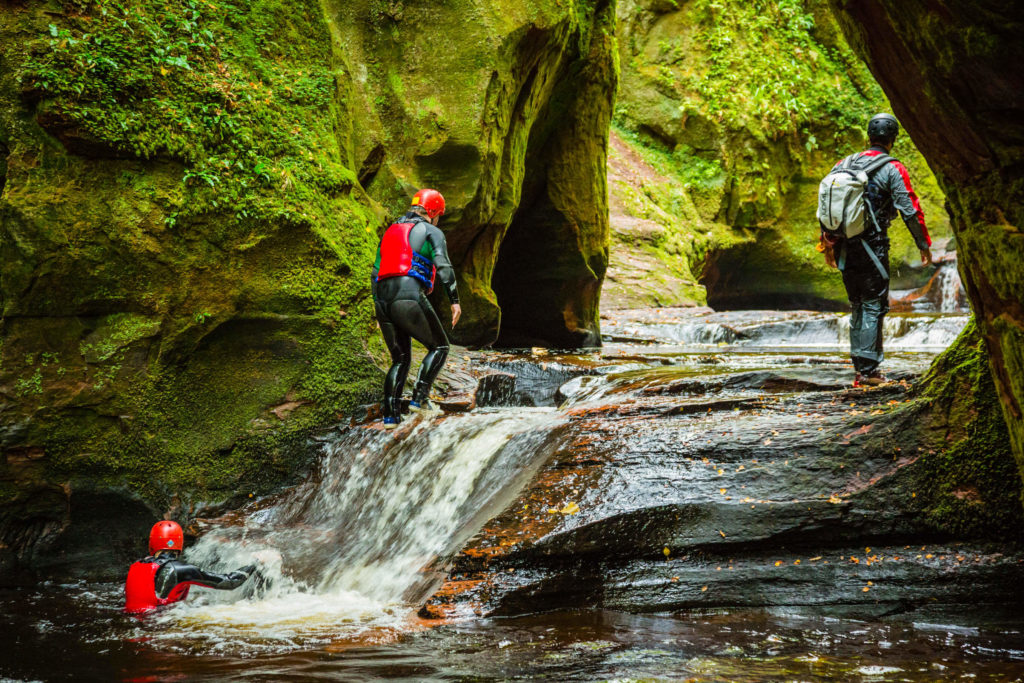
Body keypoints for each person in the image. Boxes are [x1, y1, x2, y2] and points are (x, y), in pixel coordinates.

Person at [820, 113, 933, 386]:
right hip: (873, 245)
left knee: (858, 302)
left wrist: (826, 243)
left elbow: (826, 205)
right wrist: (922, 243)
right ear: (893, 139)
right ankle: (869, 372)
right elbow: (910, 209)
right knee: (873, 303)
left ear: (868, 136)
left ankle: (860, 367)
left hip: (843, 244)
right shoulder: (893, 168)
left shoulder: (842, 164)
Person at [371, 189, 461, 428]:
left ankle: (390, 417)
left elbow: (375, 271)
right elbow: (443, 265)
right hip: (407, 295)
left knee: (399, 359)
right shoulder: (431, 231)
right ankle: (419, 400)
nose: (438, 219)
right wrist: (454, 300)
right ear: (432, 212)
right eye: (438, 214)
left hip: (382, 299)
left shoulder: (390, 232)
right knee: (440, 346)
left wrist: (378, 308)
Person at [124, 520, 255, 614]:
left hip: (133, 621)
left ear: (152, 543)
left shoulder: (135, 566)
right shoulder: (181, 570)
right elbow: (230, 582)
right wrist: (256, 562)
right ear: (179, 543)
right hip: (159, 624)